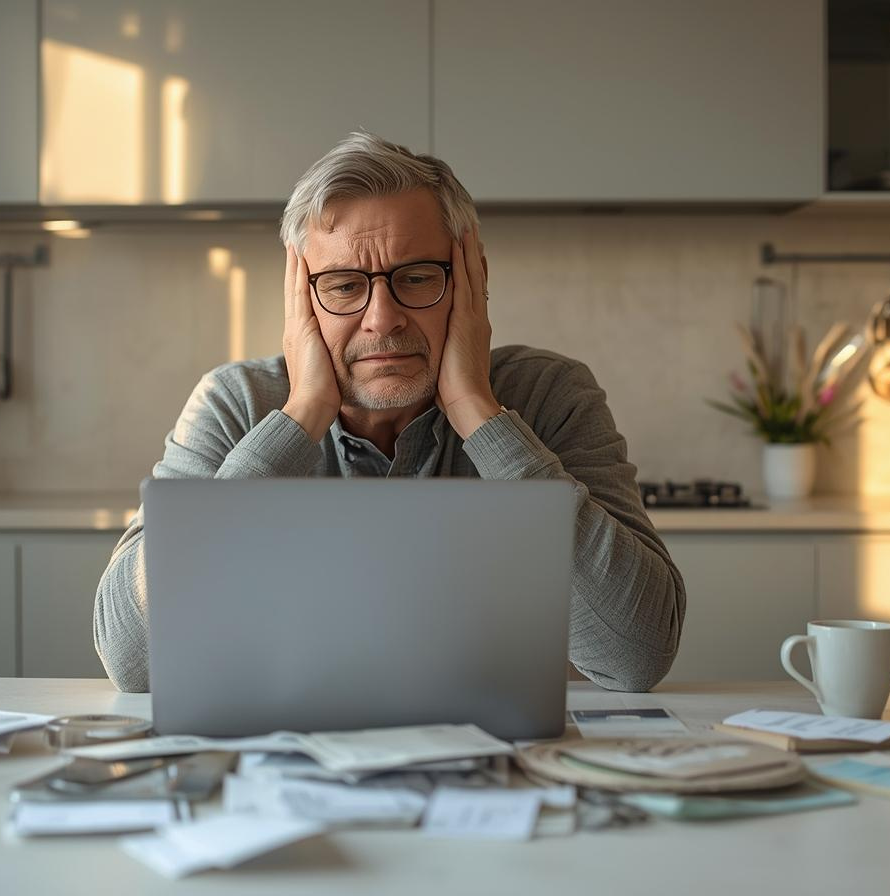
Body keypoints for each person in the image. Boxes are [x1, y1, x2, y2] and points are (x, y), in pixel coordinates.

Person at [95, 132, 686, 693]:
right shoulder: (237, 404)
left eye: (417, 277)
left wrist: (478, 411)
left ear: (471, 283)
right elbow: (135, 661)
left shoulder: (547, 394)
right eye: (345, 286)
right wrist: (301, 416)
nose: (382, 319)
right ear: (301, 298)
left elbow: (635, 657)